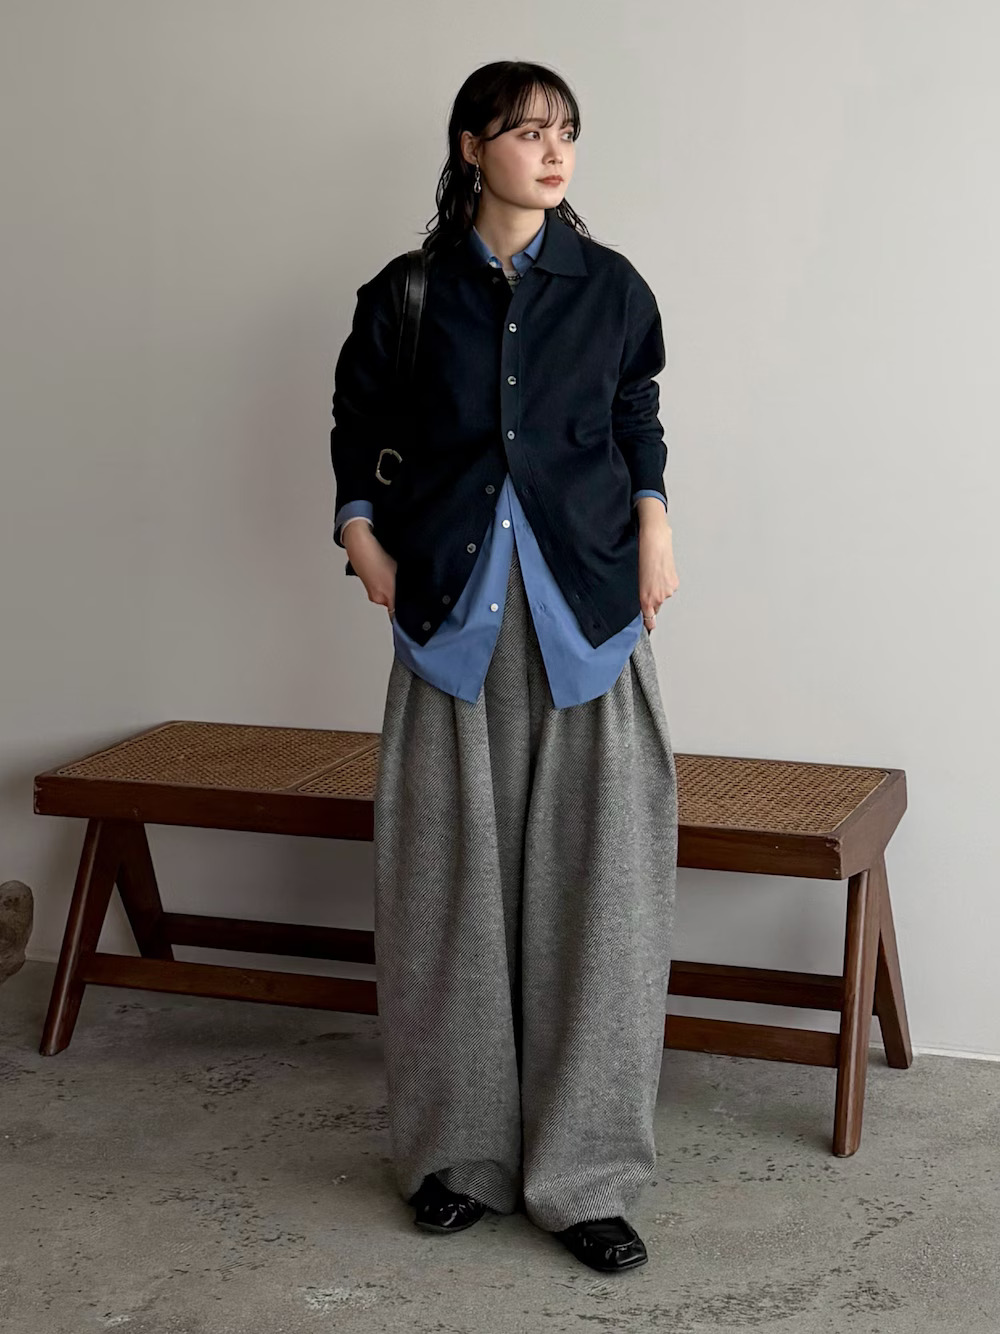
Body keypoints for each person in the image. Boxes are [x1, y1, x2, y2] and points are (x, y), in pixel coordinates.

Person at [329, 60, 680, 1274]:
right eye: (527, 131)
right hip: (449, 619)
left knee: (603, 903)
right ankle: (455, 1159)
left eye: (565, 130)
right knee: (444, 897)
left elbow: (636, 413)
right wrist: (362, 538)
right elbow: (359, 423)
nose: (553, 150)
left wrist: (654, 523)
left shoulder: (611, 287)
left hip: (588, 611)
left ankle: (585, 1177)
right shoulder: (408, 292)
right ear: (472, 146)